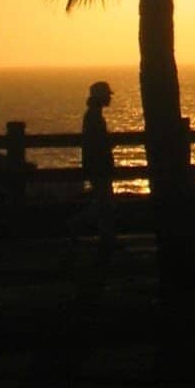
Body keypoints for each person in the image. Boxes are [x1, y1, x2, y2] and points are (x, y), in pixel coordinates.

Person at [76, 79, 117, 259]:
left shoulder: (93, 114)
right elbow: (96, 143)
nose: (110, 98)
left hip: (97, 166)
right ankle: (75, 227)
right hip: (99, 166)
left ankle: (106, 240)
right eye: (107, 94)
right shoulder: (94, 116)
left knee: (103, 205)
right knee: (104, 204)